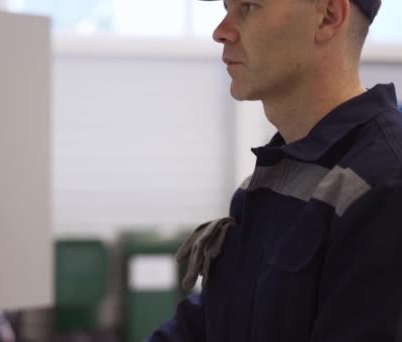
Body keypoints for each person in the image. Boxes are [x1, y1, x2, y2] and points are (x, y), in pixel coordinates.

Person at [148, 0, 402, 341]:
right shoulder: (270, 180)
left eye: (249, 7)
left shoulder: (384, 185)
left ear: (327, 18)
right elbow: (212, 322)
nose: (220, 32)